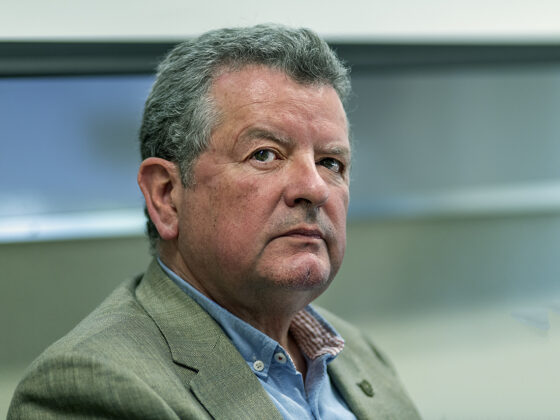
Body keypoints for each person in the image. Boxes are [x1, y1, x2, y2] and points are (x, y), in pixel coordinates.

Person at [8, 24, 420, 419]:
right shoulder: (90, 388)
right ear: (166, 195)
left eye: (331, 162)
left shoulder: (356, 351)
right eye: (265, 154)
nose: (314, 188)